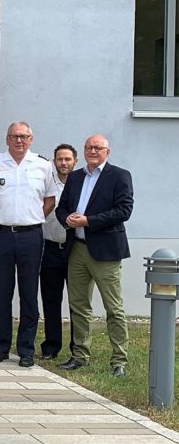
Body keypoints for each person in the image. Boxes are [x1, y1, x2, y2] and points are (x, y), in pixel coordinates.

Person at [0, 121, 57, 366]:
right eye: (14, 136)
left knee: (29, 293)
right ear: (7, 139)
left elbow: (50, 200)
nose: (19, 141)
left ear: (31, 139)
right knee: (1, 291)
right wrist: (2, 218)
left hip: (30, 236)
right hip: (0, 235)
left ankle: (26, 350)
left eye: (23, 136)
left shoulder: (43, 166)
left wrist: (29, 219)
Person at [56, 135, 134, 377]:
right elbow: (62, 207)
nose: (92, 151)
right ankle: (80, 355)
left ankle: (119, 360)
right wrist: (66, 219)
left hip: (105, 250)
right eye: (89, 147)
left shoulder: (119, 175)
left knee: (114, 307)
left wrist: (88, 221)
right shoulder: (77, 176)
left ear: (107, 151)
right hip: (77, 247)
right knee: (78, 305)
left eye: (98, 148)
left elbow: (124, 210)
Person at [39, 143, 77, 359]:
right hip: (50, 248)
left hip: (74, 249)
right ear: (54, 162)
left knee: (77, 301)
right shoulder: (47, 184)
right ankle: (51, 347)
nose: (63, 163)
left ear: (75, 161)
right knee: (51, 300)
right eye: (60, 159)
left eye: (67, 159)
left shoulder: (80, 184)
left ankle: (77, 348)